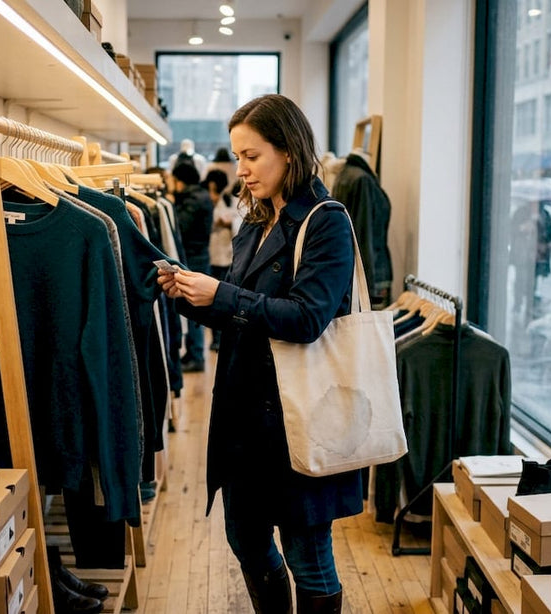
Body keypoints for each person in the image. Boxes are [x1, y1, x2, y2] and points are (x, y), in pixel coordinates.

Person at [157, 93, 360, 613]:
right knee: (244, 539)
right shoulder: (256, 220)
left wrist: (221, 293)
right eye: (237, 155)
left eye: (251, 156)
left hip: (299, 423)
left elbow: (308, 318)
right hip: (244, 422)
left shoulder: (325, 221)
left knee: (307, 556)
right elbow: (240, 311)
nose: (239, 169)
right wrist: (186, 294)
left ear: (288, 151)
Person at [171, 161, 215, 372]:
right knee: (195, 304)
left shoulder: (192, 200)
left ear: (180, 181)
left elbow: (181, 226)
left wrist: (173, 204)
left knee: (195, 305)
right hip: (200, 254)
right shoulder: (201, 195)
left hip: (193, 257)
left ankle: (196, 355)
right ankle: (194, 353)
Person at [203, 168, 241, 352]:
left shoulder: (229, 200)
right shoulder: (207, 202)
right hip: (212, 255)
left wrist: (227, 222)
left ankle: (221, 336)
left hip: (227, 257)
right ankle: (215, 338)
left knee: (222, 297)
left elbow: (237, 223)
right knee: (211, 299)